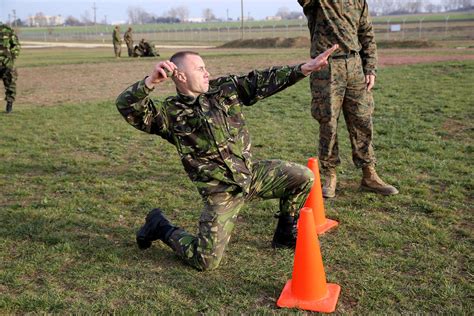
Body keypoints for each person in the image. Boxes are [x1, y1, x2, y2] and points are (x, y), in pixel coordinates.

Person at [115, 46, 338, 271]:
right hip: (221, 193)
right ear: (180, 76)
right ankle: (160, 226)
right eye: (200, 69)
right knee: (205, 261)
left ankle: (285, 234)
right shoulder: (169, 114)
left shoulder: (223, 90)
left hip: (251, 177)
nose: (206, 73)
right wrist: (150, 82)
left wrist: (304, 69)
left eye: (205, 68)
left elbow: (260, 81)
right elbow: (126, 106)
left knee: (303, 177)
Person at [298, 0, 399, 198]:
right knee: (328, 124)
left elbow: (367, 34)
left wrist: (369, 67)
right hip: (327, 67)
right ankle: (330, 175)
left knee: (362, 120)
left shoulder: (358, 1)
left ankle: (369, 174)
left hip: (355, 66)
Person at [0, 23, 20, 113]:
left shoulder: (7, 30)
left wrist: (11, 57)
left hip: (6, 64)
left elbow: (16, 45)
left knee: (10, 85)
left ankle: (9, 105)